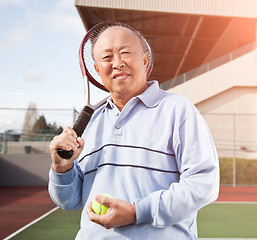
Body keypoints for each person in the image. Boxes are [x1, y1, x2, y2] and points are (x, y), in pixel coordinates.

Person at [48, 22, 219, 239]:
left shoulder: (179, 110)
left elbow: (203, 185)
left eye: (126, 53)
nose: (117, 63)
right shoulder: (90, 125)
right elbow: (70, 202)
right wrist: (62, 169)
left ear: (145, 59)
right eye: (107, 57)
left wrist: (136, 212)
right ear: (97, 69)